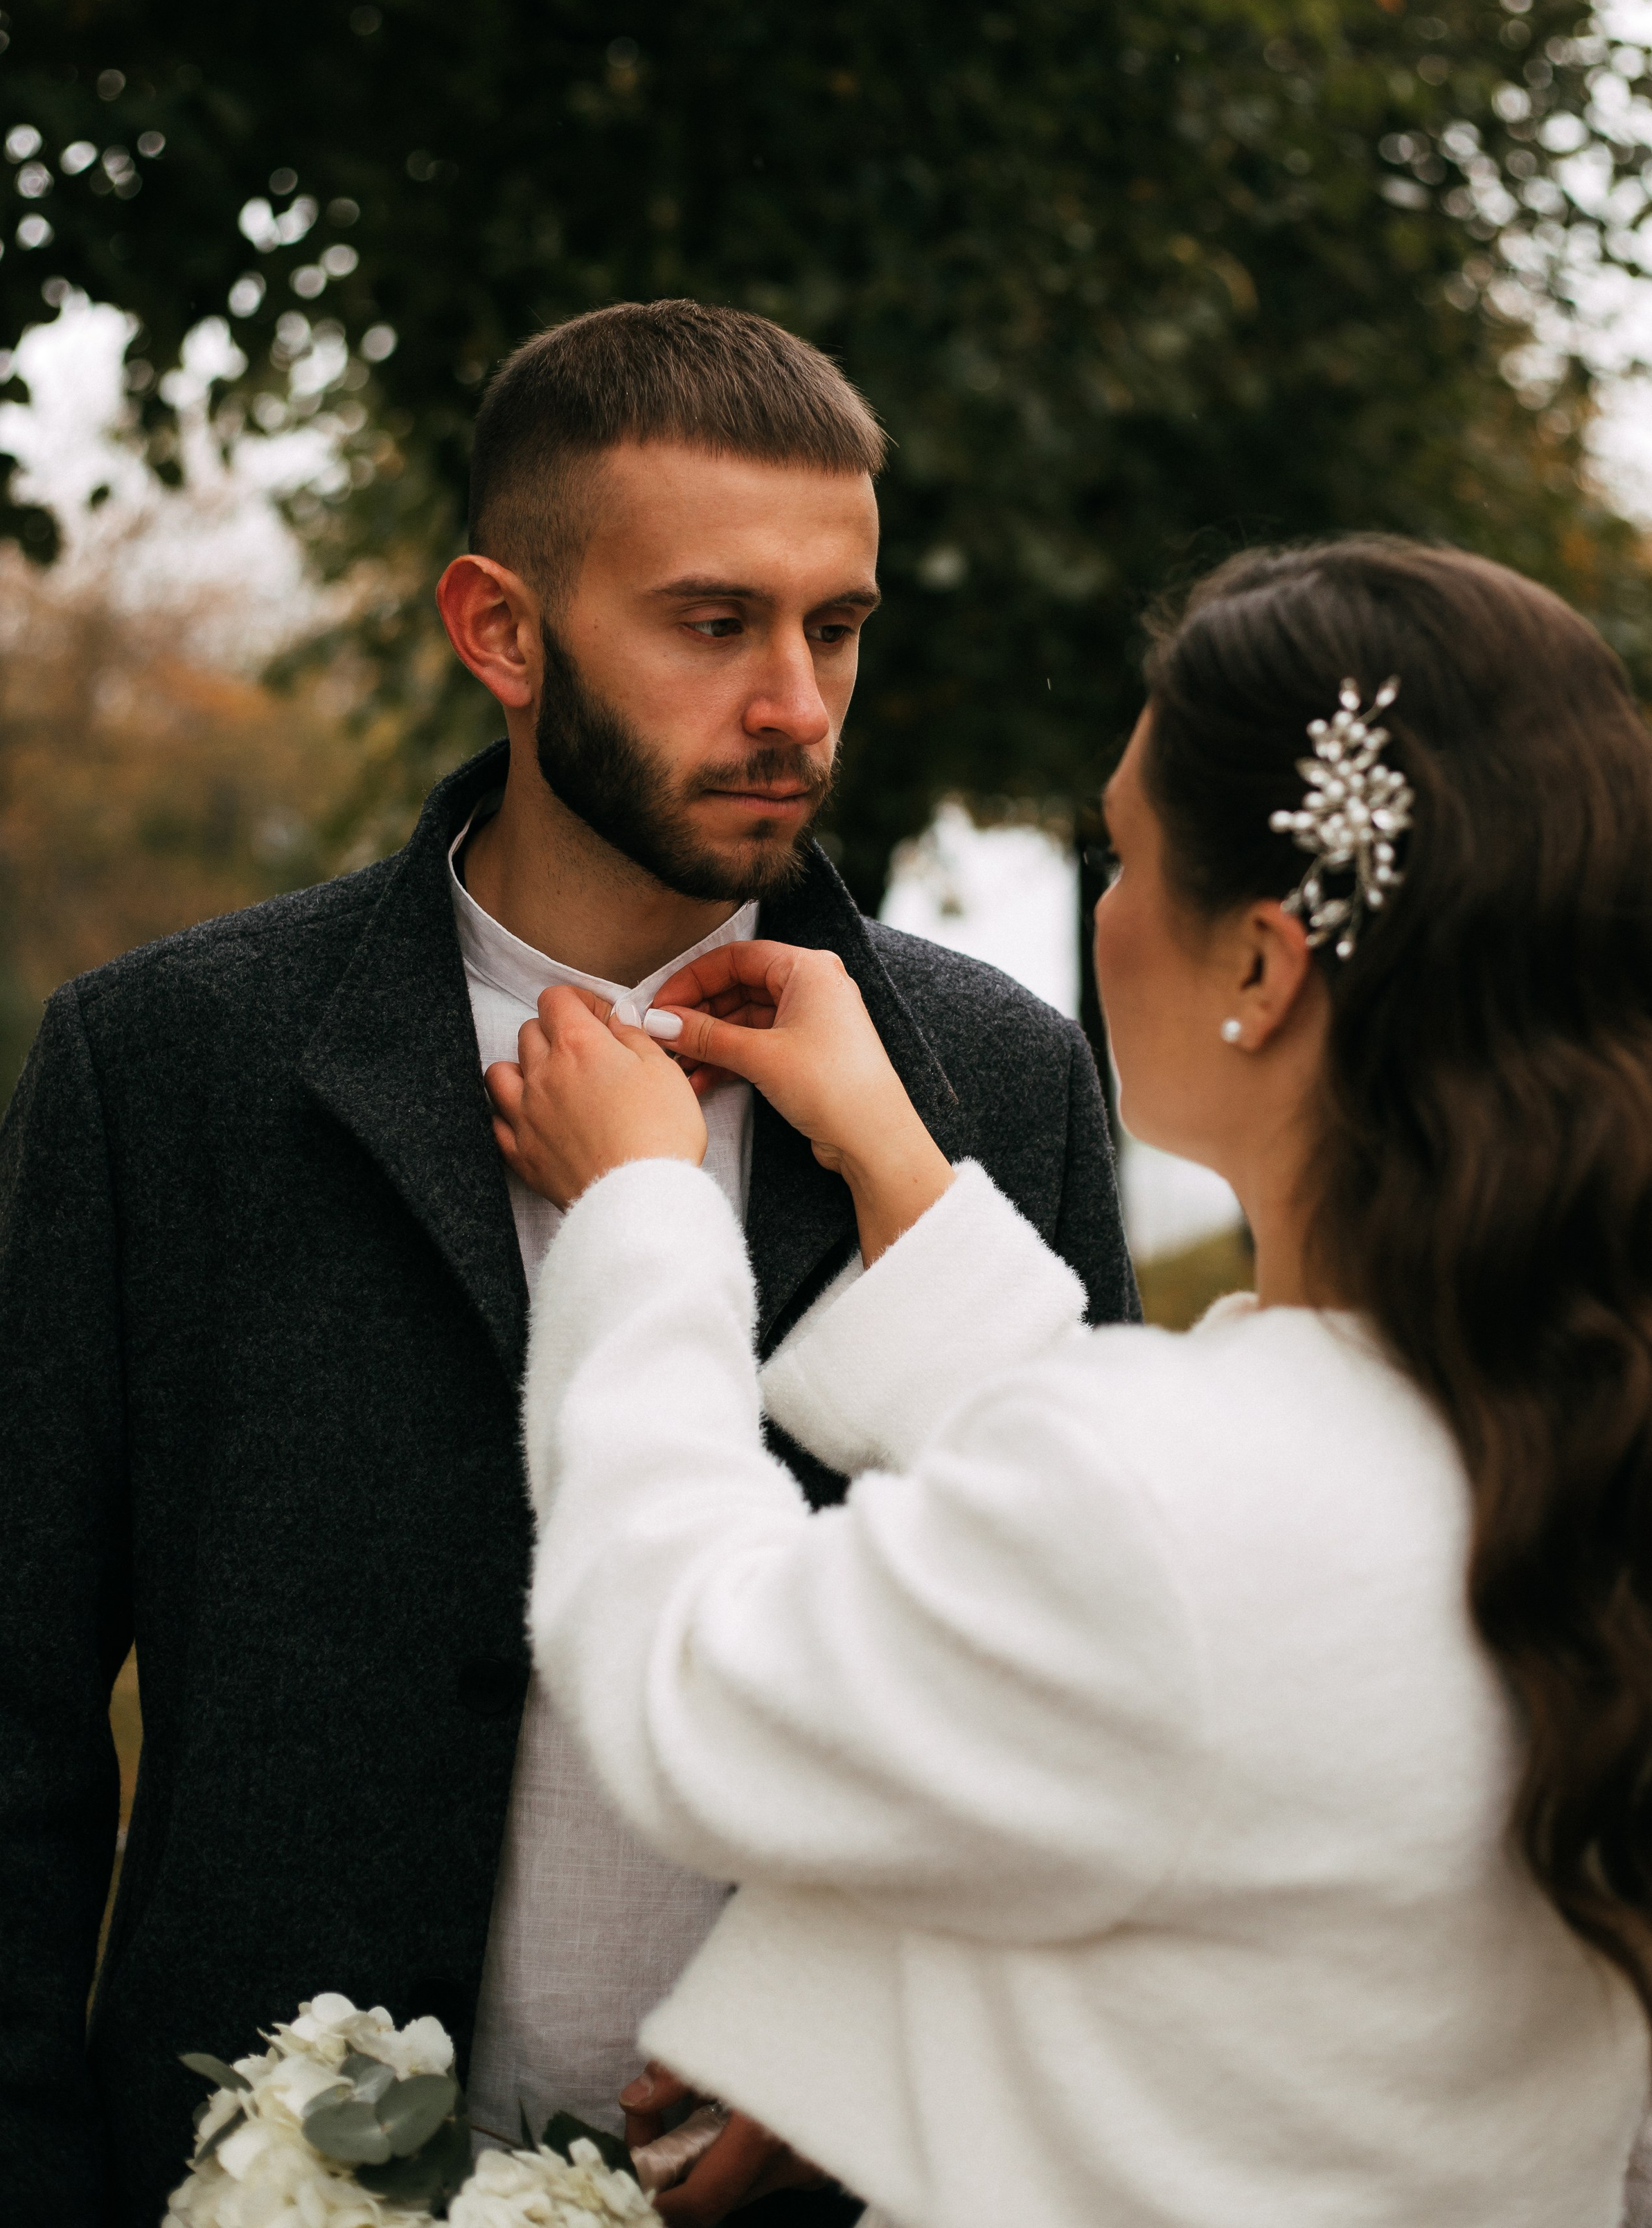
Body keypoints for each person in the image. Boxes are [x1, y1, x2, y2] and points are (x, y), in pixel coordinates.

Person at [0, 298, 1136, 2227]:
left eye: (835, 626)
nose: (796, 700)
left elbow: (1085, 1721)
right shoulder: (167, 1066)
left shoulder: (997, 1085)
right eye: (714, 622)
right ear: (501, 631)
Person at [499, 535, 1652, 2228]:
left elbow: (685, 1678)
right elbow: (1213, 1581)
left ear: (1261, 964)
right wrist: (894, 1160)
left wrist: (644, 1215)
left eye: (1119, 852)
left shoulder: (1178, 1499)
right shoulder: (1613, 1447)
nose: (1098, 906)